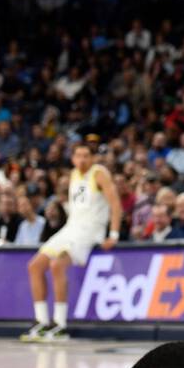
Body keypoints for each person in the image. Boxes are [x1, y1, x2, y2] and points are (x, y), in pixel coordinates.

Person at [20, 142, 122, 343]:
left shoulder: (99, 173)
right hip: (71, 228)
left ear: (92, 158)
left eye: (86, 155)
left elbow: (115, 203)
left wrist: (114, 234)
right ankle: (42, 321)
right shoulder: (74, 174)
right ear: (73, 158)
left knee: (57, 265)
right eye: (78, 156)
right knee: (34, 266)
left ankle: (60, 324)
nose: (82, 159)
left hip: (90, 229)